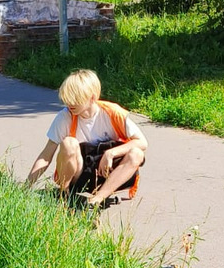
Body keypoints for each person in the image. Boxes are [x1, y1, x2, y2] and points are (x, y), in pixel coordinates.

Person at [25, 69, 147, 207]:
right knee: (68, 143)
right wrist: (26, 187)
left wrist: (111, 153)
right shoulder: (65, 117)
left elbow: (142, 142)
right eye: (67, 98)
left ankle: (97, 200)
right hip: (79, 173)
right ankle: (64, 194)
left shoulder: (113, 113)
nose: (70, 104)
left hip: (108, 171)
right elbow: (46, 156)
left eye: (76, 99)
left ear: (92, 97)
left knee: (137, 153)